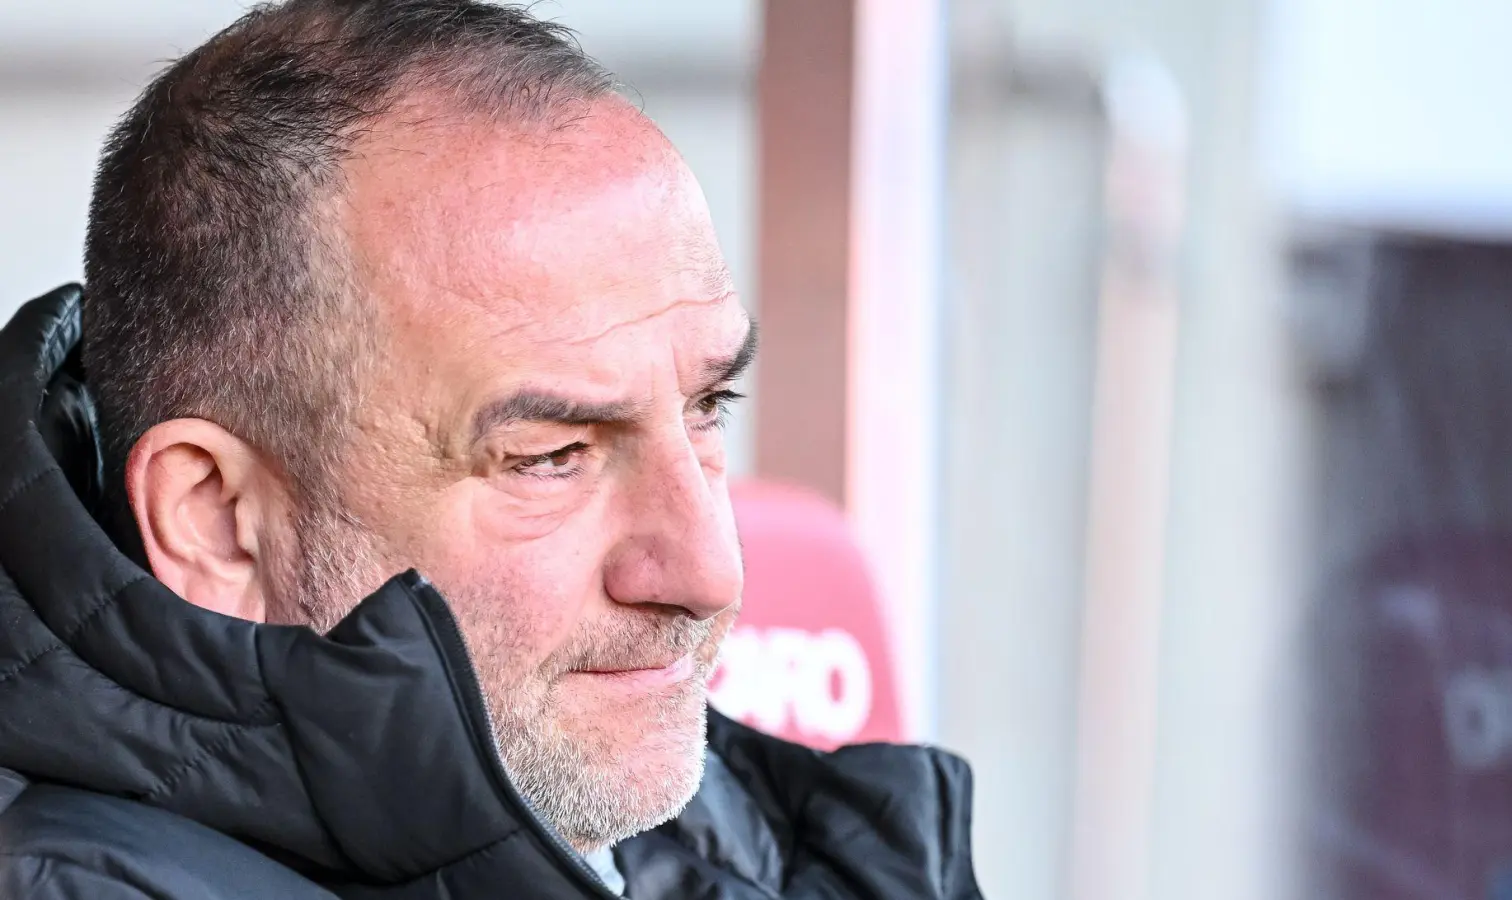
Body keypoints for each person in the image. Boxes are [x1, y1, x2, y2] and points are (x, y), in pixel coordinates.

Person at [0, 1, 981, 897]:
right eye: (552, 455)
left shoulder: (686, 826)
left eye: (707, 405)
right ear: (218, 522)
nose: (708, 571)